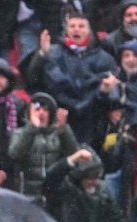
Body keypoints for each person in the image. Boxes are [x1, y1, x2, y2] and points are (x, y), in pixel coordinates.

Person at [27, 12, 117, 145]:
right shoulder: (52, 53)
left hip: (92, 120)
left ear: (89, 31)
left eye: (81, 26)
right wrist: (41, 55)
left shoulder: (104, 58)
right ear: (66, 30)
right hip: (59, 115)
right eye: (72, 26)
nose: (76, 29)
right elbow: (32, 79)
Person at [9, 92, 79, 202]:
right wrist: (32, 128)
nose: (41, 113)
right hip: (28, 194)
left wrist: (64, 131)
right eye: (37, 109)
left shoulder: (58, 134)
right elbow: (15, 154)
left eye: (45, 110)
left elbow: (74, 155)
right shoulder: (20, 133)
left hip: (55, 194)